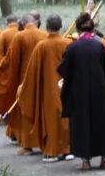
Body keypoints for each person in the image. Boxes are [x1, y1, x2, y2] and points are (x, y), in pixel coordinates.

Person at [60, 12, 105, 171]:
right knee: (101, 123)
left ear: (77, 29)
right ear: (92, 30)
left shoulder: (73, 48)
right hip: (99, 91)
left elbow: (65, 70)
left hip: (79, 92)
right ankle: (104, 159)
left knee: (82, 124)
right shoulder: (99, 46)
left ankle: (86, 161)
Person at [0, 12, 45, 143]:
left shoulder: (19, 36)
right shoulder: (44, 35)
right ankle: (41, 138)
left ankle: (26, 143)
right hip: (41, 77)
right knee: (40, 106)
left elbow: (8, 60)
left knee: (24, 107)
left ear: (22, 24)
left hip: (24, 77)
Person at [20, 14, 71, 162]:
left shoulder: (42, 46)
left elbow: (32, 71)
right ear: (61, 26)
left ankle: (52, 151)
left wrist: (25, 88)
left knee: (51, 119)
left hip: (49, 90)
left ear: (46, 27)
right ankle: (67, 150)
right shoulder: (68, 43)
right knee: (67, 118)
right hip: (67, 88)